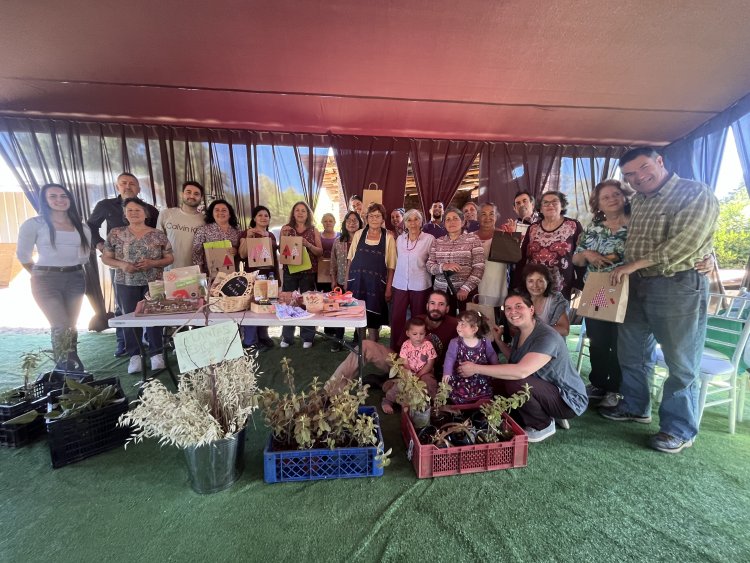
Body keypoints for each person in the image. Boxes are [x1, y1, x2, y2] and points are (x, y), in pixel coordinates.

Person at [601, 147, 719, 455]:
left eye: (643, 168)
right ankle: (636, 407)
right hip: (638, 285)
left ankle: (678, 428)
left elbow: (690, 241)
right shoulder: (637, 201)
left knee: (680, 359)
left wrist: (633, 265)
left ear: (660, 162)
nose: (638, 177)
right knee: (633, 350)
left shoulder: (695, 192)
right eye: (629, 175)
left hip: (677, 284)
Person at [458, 293, 588, 443]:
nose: (513, 311)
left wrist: (476, 368)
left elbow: (521, 371)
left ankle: (542, 424)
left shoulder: (546, 336)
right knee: (495, 381)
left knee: (515, 382)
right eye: (508, 308)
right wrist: (499, 341)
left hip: (568, 399)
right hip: (545, 387)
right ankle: (543, 412)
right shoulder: (520, 332)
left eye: (518, 306)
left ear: (531, 309)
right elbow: (515, 358)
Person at [17, 183, 92, 370]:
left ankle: (69, 365)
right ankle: (68, 367)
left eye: (63, 196)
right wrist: (39, 275)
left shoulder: (82, 227)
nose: (59, 200)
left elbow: (83, 256)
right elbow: (23, 255)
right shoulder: (34, 224)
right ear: (45, 200)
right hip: (45, 280)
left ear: (70, 200)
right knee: (60, 325)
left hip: (75, 277)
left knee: (71, 325)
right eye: (53, 196)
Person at [326, 290, 458, 394]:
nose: (436, 308)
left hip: (428, 371)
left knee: (421, 392)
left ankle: (384, 383)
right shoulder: (417, 321)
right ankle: (329, 393)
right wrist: (404, 370)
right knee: (365, 345)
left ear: (447, 308)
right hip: (404, 364)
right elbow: (401, 354)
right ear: (427, 305)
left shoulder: (454, 326)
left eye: (441, 304)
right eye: (433, 303)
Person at [572, 179, 632, 408]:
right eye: (605, 197)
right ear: (598, 203)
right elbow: (575, 259)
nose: (611, 199)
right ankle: (598, 383)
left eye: (615, 194)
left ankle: (615, 388)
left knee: (620, 342)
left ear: (624, 196)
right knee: (597, 338)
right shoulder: (593, 227)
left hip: (625, 289)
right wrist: (587, 253)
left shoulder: (636, 225)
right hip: (597, 288)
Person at [88, 172, 159, 357]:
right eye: (123, 183)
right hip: (120, 265)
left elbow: (157, 236)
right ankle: (126, 346)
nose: (128, 187)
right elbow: (90, 226)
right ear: (117, 186)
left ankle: (153, 346)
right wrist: (100, 245)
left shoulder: (151, 209)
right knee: (124, 307)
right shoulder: (105, 206)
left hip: (149, 269)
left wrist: (155, 261)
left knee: (152, 305)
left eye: (132, 184)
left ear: (139, 188)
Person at [101, 198, 173, 374]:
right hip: (126, 282)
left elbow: (170, 258)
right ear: (125, 213)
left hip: (153, 281)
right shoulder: (115, 233)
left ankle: (156, 353)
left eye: (138, 210)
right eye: (130, 210)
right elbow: (106, 257)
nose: (134, 213)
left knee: (154, 316)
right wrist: (122, 265)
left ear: (145, 213)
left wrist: (152, 263)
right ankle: (135, 355)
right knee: (129, 317)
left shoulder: (157, 234)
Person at [515, 191, 584, 299]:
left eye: (554, 202)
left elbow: (581, 254)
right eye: (545, 202)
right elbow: (522, 258)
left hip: (561, 287)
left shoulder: (573, 226)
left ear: (562, 205)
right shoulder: (533, 228)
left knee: (560, 315)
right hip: (534, 287)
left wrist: (579, 283)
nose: (550, 205)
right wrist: (518, 284)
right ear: (540, 208)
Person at [346, 202, 396, 342]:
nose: (374, 219)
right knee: (358, 316)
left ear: (382, 219)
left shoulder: (389, 238)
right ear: (366, 218)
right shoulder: (358, 234)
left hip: (376, 286)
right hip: (357, 283)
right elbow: (350, 260)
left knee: (374, 320)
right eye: (371, 216)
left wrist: (388, 289)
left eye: (378, 216)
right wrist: (346, 281)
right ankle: (360, 348)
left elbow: (391, 266)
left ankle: (373, 348)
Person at [390, 209, 435, 352]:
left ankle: (419, 350)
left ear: (421, 222)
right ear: (405, 222)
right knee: (397, 318)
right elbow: (397, 260)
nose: (413, 223)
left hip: (421, 284)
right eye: (409, 220)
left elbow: (432, 261)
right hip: (400, 283)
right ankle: (396, 349)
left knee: (419, 319)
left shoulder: (429, 239)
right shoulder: (400, 239)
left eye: (416, 219)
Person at [280, 201, 323, 349]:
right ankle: (287, 336)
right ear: (293, 213)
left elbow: (320, 252)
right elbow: (281, 252)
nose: (300, 213)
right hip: (290, 271)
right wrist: (284, 237)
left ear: (308, 214)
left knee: (307, 303)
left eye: (303, 211)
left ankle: (307, 337)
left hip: (308, 272)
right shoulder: (286, 229)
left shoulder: (313, 230)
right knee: (288, 303)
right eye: (297, 210)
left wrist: (308, 244)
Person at [426, 207, 485, 313]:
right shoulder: (437, 242)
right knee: (445, 323)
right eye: (448, 219)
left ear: (463, 222)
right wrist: (443, 266)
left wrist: (465, 288)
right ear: (444, 224)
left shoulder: (473, 240)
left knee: (465, 323)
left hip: (465, 293)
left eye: (455, 218)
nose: (451, 222)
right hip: (441, 293)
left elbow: (479, 268)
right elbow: (429, 265)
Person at [238, 205, 279, 350]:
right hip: (252, 276)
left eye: (266, 215)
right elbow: (242, 254)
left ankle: (263, 336)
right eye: (260, 215)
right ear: (254, 218)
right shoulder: (246, 233)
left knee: (265, 306)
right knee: (252, 308)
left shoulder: (271, 235)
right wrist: (249, 237)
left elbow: (275, 257)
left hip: (269, 275)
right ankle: (250, 340)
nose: (263, 218)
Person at [381, 317, 437, 414]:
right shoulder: (406, 345)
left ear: (425, 333)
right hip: (409, 371)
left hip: (424, 372)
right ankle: (388, 400)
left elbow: (430, 364)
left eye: (422, 334)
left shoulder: (428, 345)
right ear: (408, 333)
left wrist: (419, 375)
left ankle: (435, 403)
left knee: (430, 383)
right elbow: (405, 362)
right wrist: (409, 373)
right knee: (401, 385)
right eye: (415, 334)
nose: (418, 337)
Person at [443, 310, 498, 405]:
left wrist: (496, 369)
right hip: (461, 377)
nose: (458, 327)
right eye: (458, 323)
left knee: (484, 396)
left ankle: (480, 407)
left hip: (481, 377)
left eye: (463, 324)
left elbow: (492, 355)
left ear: (474, 329)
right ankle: (462, 409)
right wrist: (447, 373)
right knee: (459, 394)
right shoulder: (455, 342)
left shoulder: (485, 341)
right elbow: (450, 357)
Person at [329, 211, 363, 351]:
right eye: (348, 220)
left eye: (355, 220)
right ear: (344, 223)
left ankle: (357, 339)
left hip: (360, 282)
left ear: (360, 223)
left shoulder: (364, 240)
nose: (352, 222)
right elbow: (333, 262)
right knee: (339, 311)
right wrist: (333, 280)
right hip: (341, 282)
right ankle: (338, 338)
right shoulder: (338, 241)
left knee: (358, 311)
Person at [155, 181, 205, 269]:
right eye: (188, 192)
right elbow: (157, 242)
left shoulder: (205, 220)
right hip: (169, 271)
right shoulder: (166, 214)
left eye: (196, 194)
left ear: (201, 198)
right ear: (182, 194)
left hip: (196, 272)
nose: (192, 196)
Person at [191, 199, 241, 276]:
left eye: (224, 210)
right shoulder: (203, 230)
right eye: (217, 210)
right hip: (211, 274)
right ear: (212, 214)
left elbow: (242, 251)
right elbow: (197, 254)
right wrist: (201, 275)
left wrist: (236, 251)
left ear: (229, 214)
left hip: (232, 273)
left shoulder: (237, 231)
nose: (220, 212)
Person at [475, 202, 509, 308]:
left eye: (491, 214)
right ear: (478, 216)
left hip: (497, 287)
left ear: (496, 216)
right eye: (483, 214)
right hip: (475, 287)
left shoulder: (503, 235)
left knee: (495, 319)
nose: (488, 217)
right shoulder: (470, 237)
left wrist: (513, 239)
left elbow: (514, 261)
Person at [522, 264, 570, 337]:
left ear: (547, 282)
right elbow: (513, 330)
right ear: (525, 282)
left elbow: (564, 330)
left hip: (549, 344)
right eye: (530, 281)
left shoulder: (556, 300)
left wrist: (533, 330)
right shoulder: (518, 299)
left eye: (540, 281)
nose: (535, 285)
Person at [318, 212, 340, 344]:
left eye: (330, 220)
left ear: (334, 222)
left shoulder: (339, 236)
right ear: (322, 222)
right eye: (325, 221)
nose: (328, 223)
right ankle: (327, 331)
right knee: (324, 300)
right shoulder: (318, 236)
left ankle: (336, 329)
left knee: (334, 300)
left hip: (335, 272)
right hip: (321, 272)